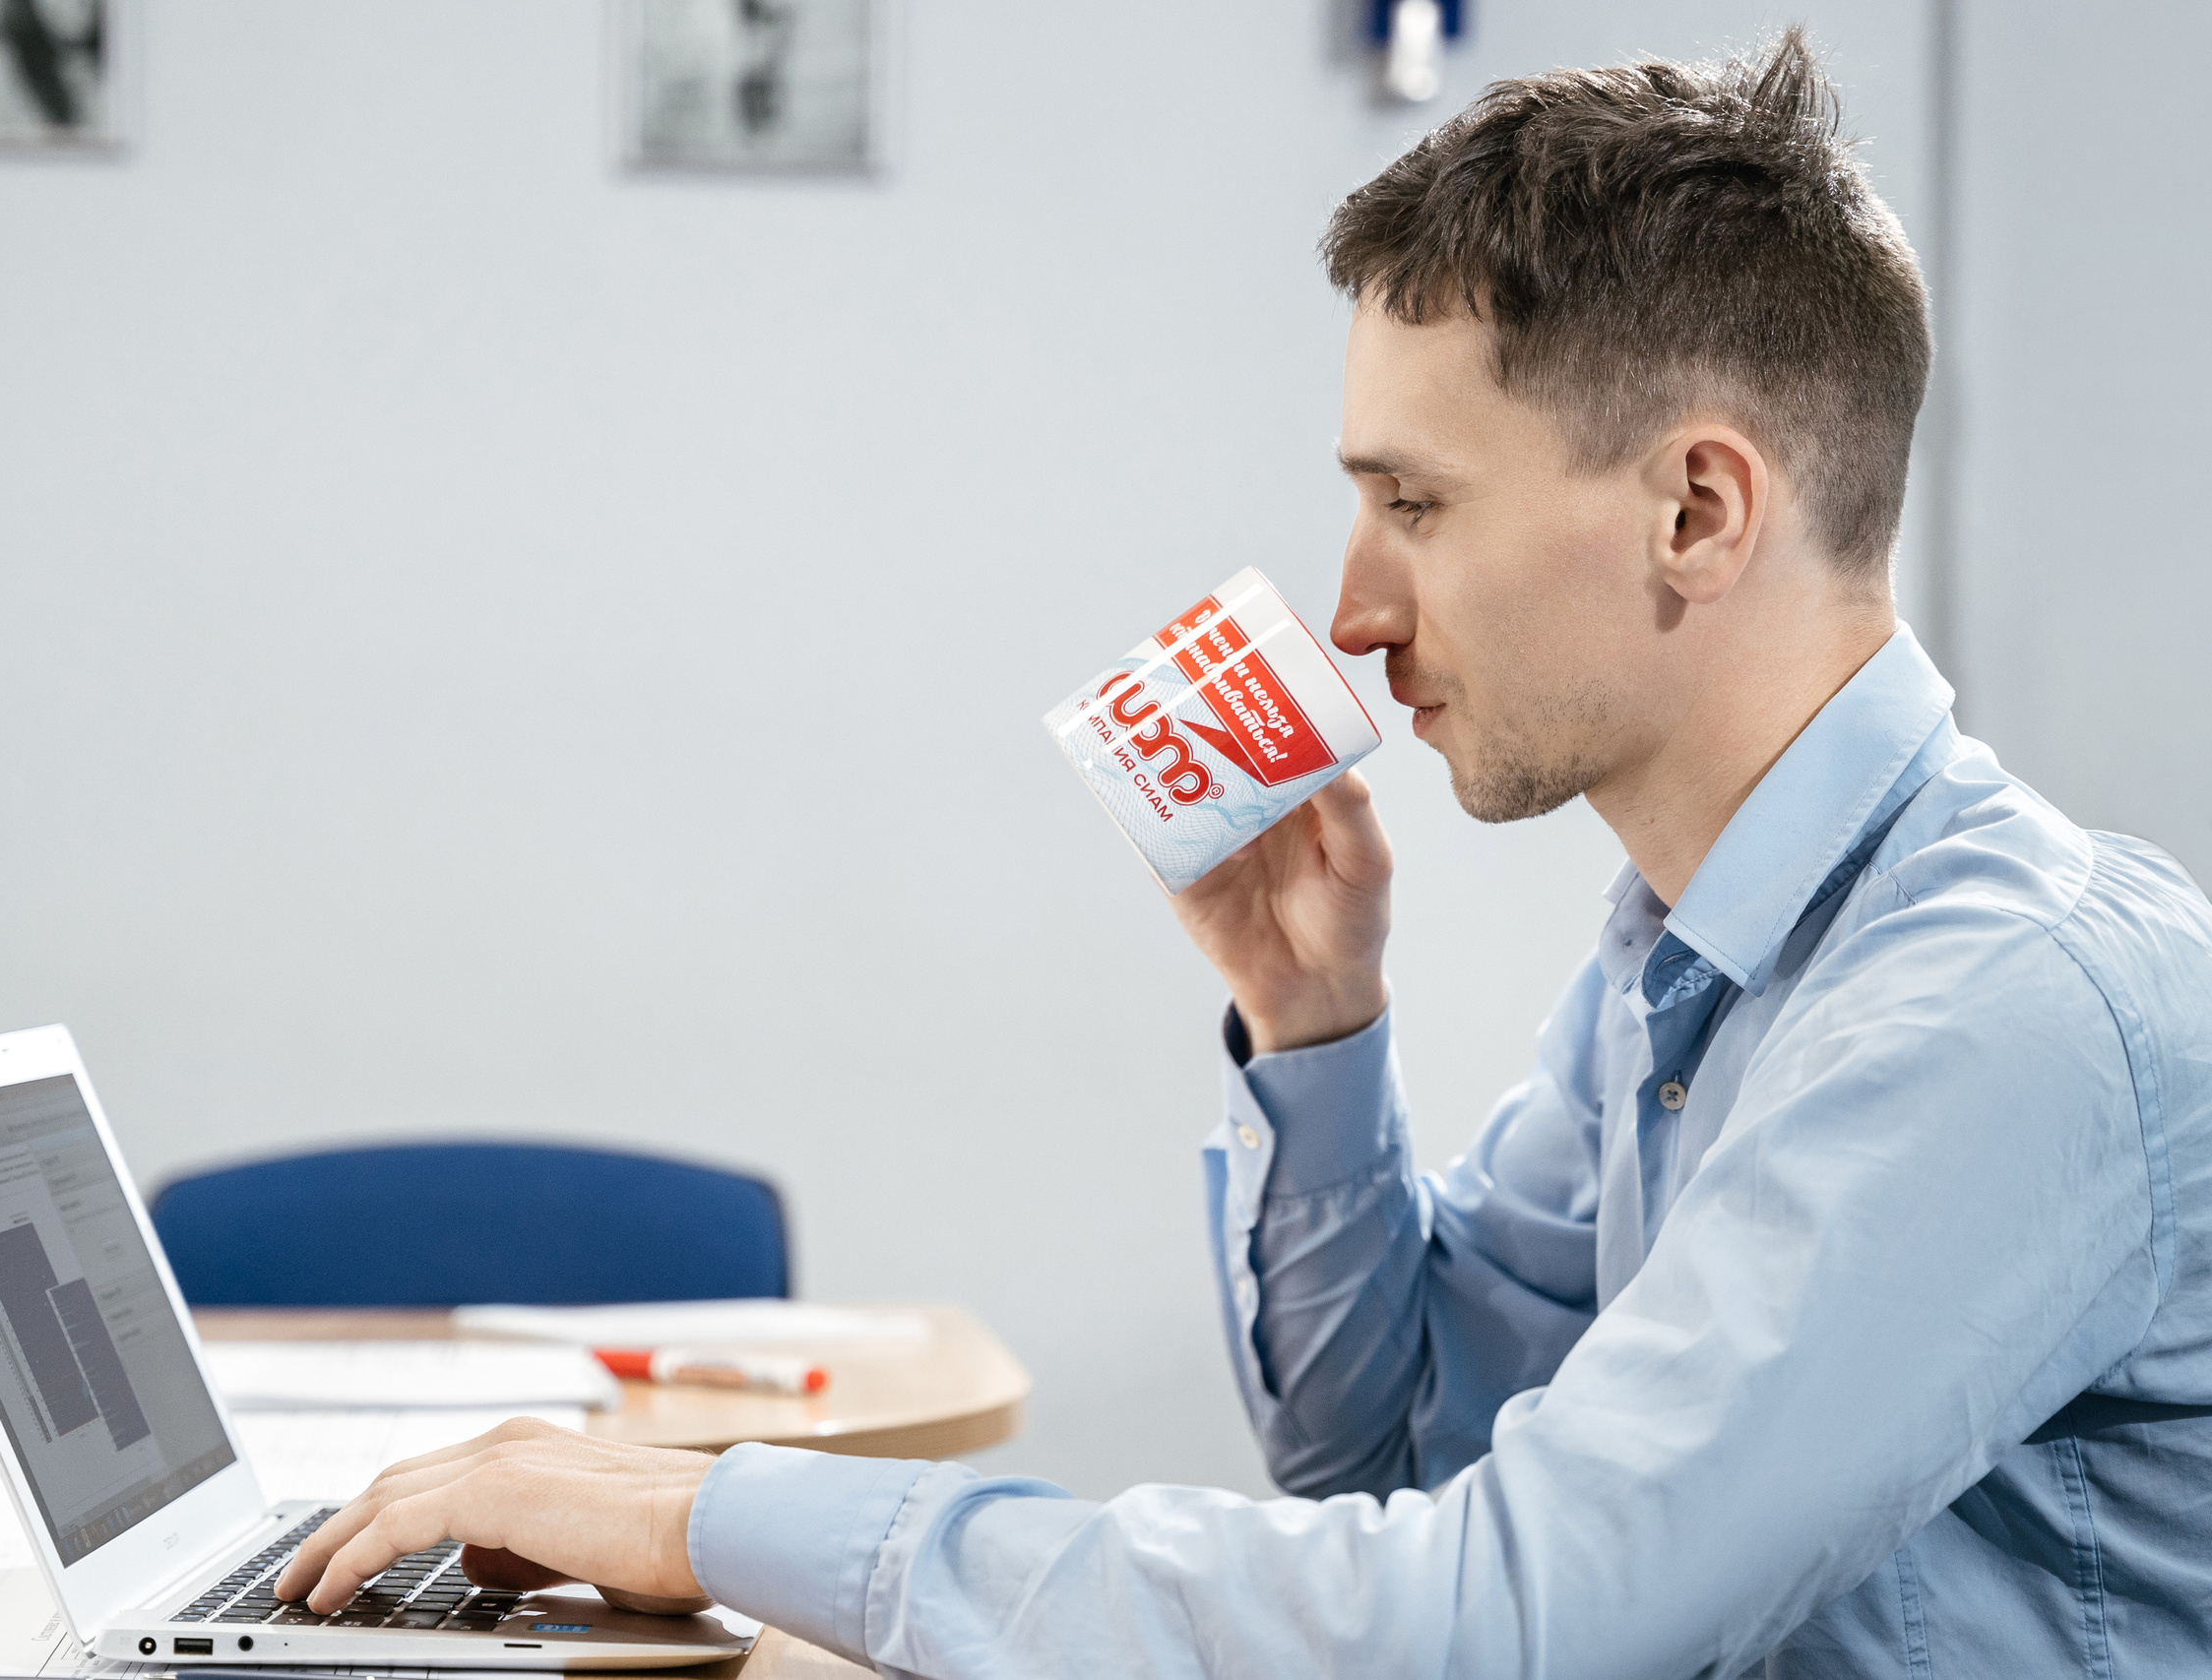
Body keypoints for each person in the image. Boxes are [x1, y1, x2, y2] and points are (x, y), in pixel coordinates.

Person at [275, 30, 2212, 1677]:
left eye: (1413, 504)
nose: (1352, 612)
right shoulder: (1685, 959)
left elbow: (1502, 1620)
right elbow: (1388, 1451)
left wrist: (709, 1514)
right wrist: (1313, 1023)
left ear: (1696, 511)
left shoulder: (1994, 1012)